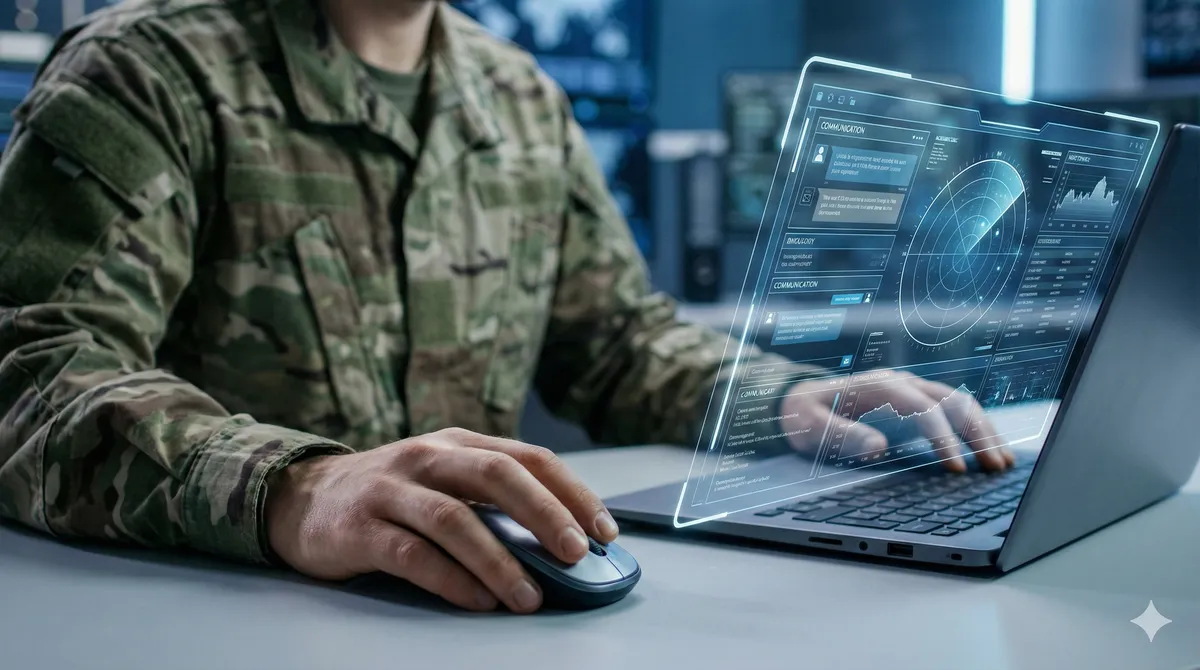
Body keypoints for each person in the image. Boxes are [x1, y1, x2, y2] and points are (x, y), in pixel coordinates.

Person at [0, 0, 1011, 614]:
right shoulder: (148, 71)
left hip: (484, 614)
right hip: (217, 619)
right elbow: (34, 367)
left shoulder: (520, 96)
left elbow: (615, 339)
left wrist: (785, 401)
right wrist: (294, 487)